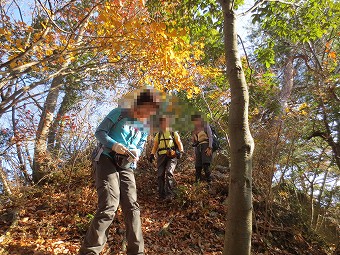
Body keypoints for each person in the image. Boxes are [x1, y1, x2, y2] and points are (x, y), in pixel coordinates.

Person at [79, 89, 159, 255]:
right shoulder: (119, 113)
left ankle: (137, 252)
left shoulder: (144, 127)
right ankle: (90, 251)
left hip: (127, 165)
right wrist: (114, 145)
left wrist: (136, 151)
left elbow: (141, 145)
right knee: (109, 204)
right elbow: (99, 132)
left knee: (132, 207)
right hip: (106, 158)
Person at [149, 117, 184, 199]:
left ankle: (169, 195)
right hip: (161, 156)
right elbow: (155, 146)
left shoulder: (173, 133)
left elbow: (179, 142)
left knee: (169, 172)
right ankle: (161, 195)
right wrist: (152, 154)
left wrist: (181, 151)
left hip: (172, 156)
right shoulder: (159, 134)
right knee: (160, 175)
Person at [191, 114, 213, 183]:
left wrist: (210, 147)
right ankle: (197, 185)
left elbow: (210, 136)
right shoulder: (194, 130)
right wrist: (195, 153)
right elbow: (195, 143)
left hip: (205, 146)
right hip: (198, 148)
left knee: (206, 165)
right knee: (198, 167)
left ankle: (209, 183)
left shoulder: (205, 126)